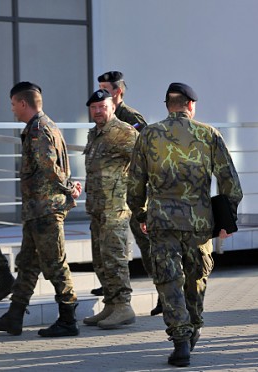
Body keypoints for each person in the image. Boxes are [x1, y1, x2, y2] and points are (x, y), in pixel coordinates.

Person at [127, 82, 242, 367]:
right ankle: (193, 329)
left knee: (168, 281)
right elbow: (230, 183)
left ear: (168, 105)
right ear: (191, 105)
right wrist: (228, 220)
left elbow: (134, 185)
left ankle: (180, 341)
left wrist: (141, 214)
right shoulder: (208, 134)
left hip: (161, 222)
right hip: (199, 223)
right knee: (195, 279)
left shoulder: (149, 135)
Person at [0, 82, 82, 337]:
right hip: (38, 210)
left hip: (46, 209)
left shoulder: (38, 130)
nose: (12, 109)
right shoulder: (46, 126)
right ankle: (15, 316)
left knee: (56, 264)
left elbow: (49, 166)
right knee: (28, 264)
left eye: (13, 104)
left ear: (23, 103)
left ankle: (68, 319)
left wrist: (68, 188)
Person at [96, 71, 162, 316]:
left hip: (136, 195)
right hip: (116, 197)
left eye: (106, 88)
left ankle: (165, 294)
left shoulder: (130, 118)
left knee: (147, 245)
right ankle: (112, 296)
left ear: (118, 91)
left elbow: (148, 155)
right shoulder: (104, 120)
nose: (103, 93)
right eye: (100, 88)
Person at [81, 89, 138, 329]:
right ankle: (111, 305)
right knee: (100, 259)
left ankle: (124, 306)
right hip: (97, 208)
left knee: (115, 258)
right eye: (93, 108)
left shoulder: (124, 132)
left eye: (101, 107)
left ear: (112, 106)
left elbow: (143, 163)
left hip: (115, 209)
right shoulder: (95, 134)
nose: (97, 112)